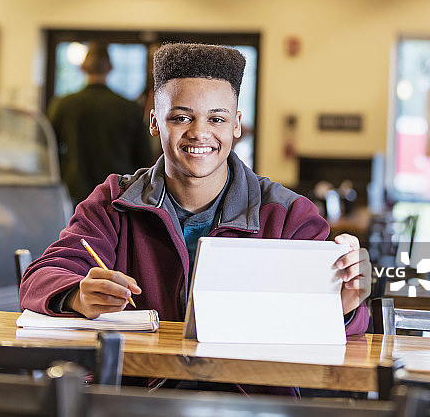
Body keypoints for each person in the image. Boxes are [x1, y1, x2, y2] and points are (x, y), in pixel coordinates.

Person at [20, 43, 371, 390]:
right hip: (136, 401)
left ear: (236, 125)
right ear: (155, 122)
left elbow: (346, 324)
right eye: (181, 117)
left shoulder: (287, 214)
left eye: (216, 118)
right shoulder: (114, 202)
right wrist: (78, 294)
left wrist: (344, 304)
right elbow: (40, 278)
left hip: (251, 405)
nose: (199, 132)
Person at [48, 42, 153, 205]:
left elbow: (48, 149)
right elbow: (144, 156)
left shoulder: (64, 105)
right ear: (110, 67)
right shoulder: (129, 108)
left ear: (82, 67)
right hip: (117, 194)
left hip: (74, 194)